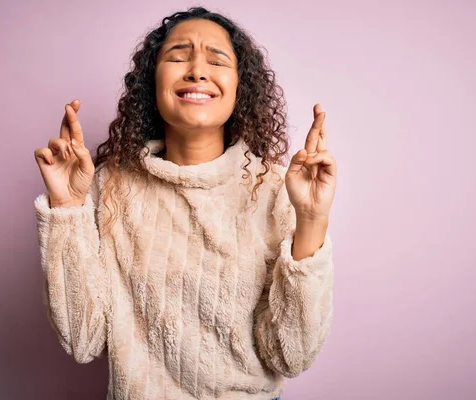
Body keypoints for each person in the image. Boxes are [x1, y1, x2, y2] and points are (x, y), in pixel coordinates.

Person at [33, 6, 336, 400]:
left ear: (240, 87)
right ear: (151, 83)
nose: (196, 70)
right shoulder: (108, 185)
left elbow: (290, 356)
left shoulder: (277, 188)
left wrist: (311, 219)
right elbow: (82, 339)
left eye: (217, 59)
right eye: (177, 56)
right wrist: (68, 207)